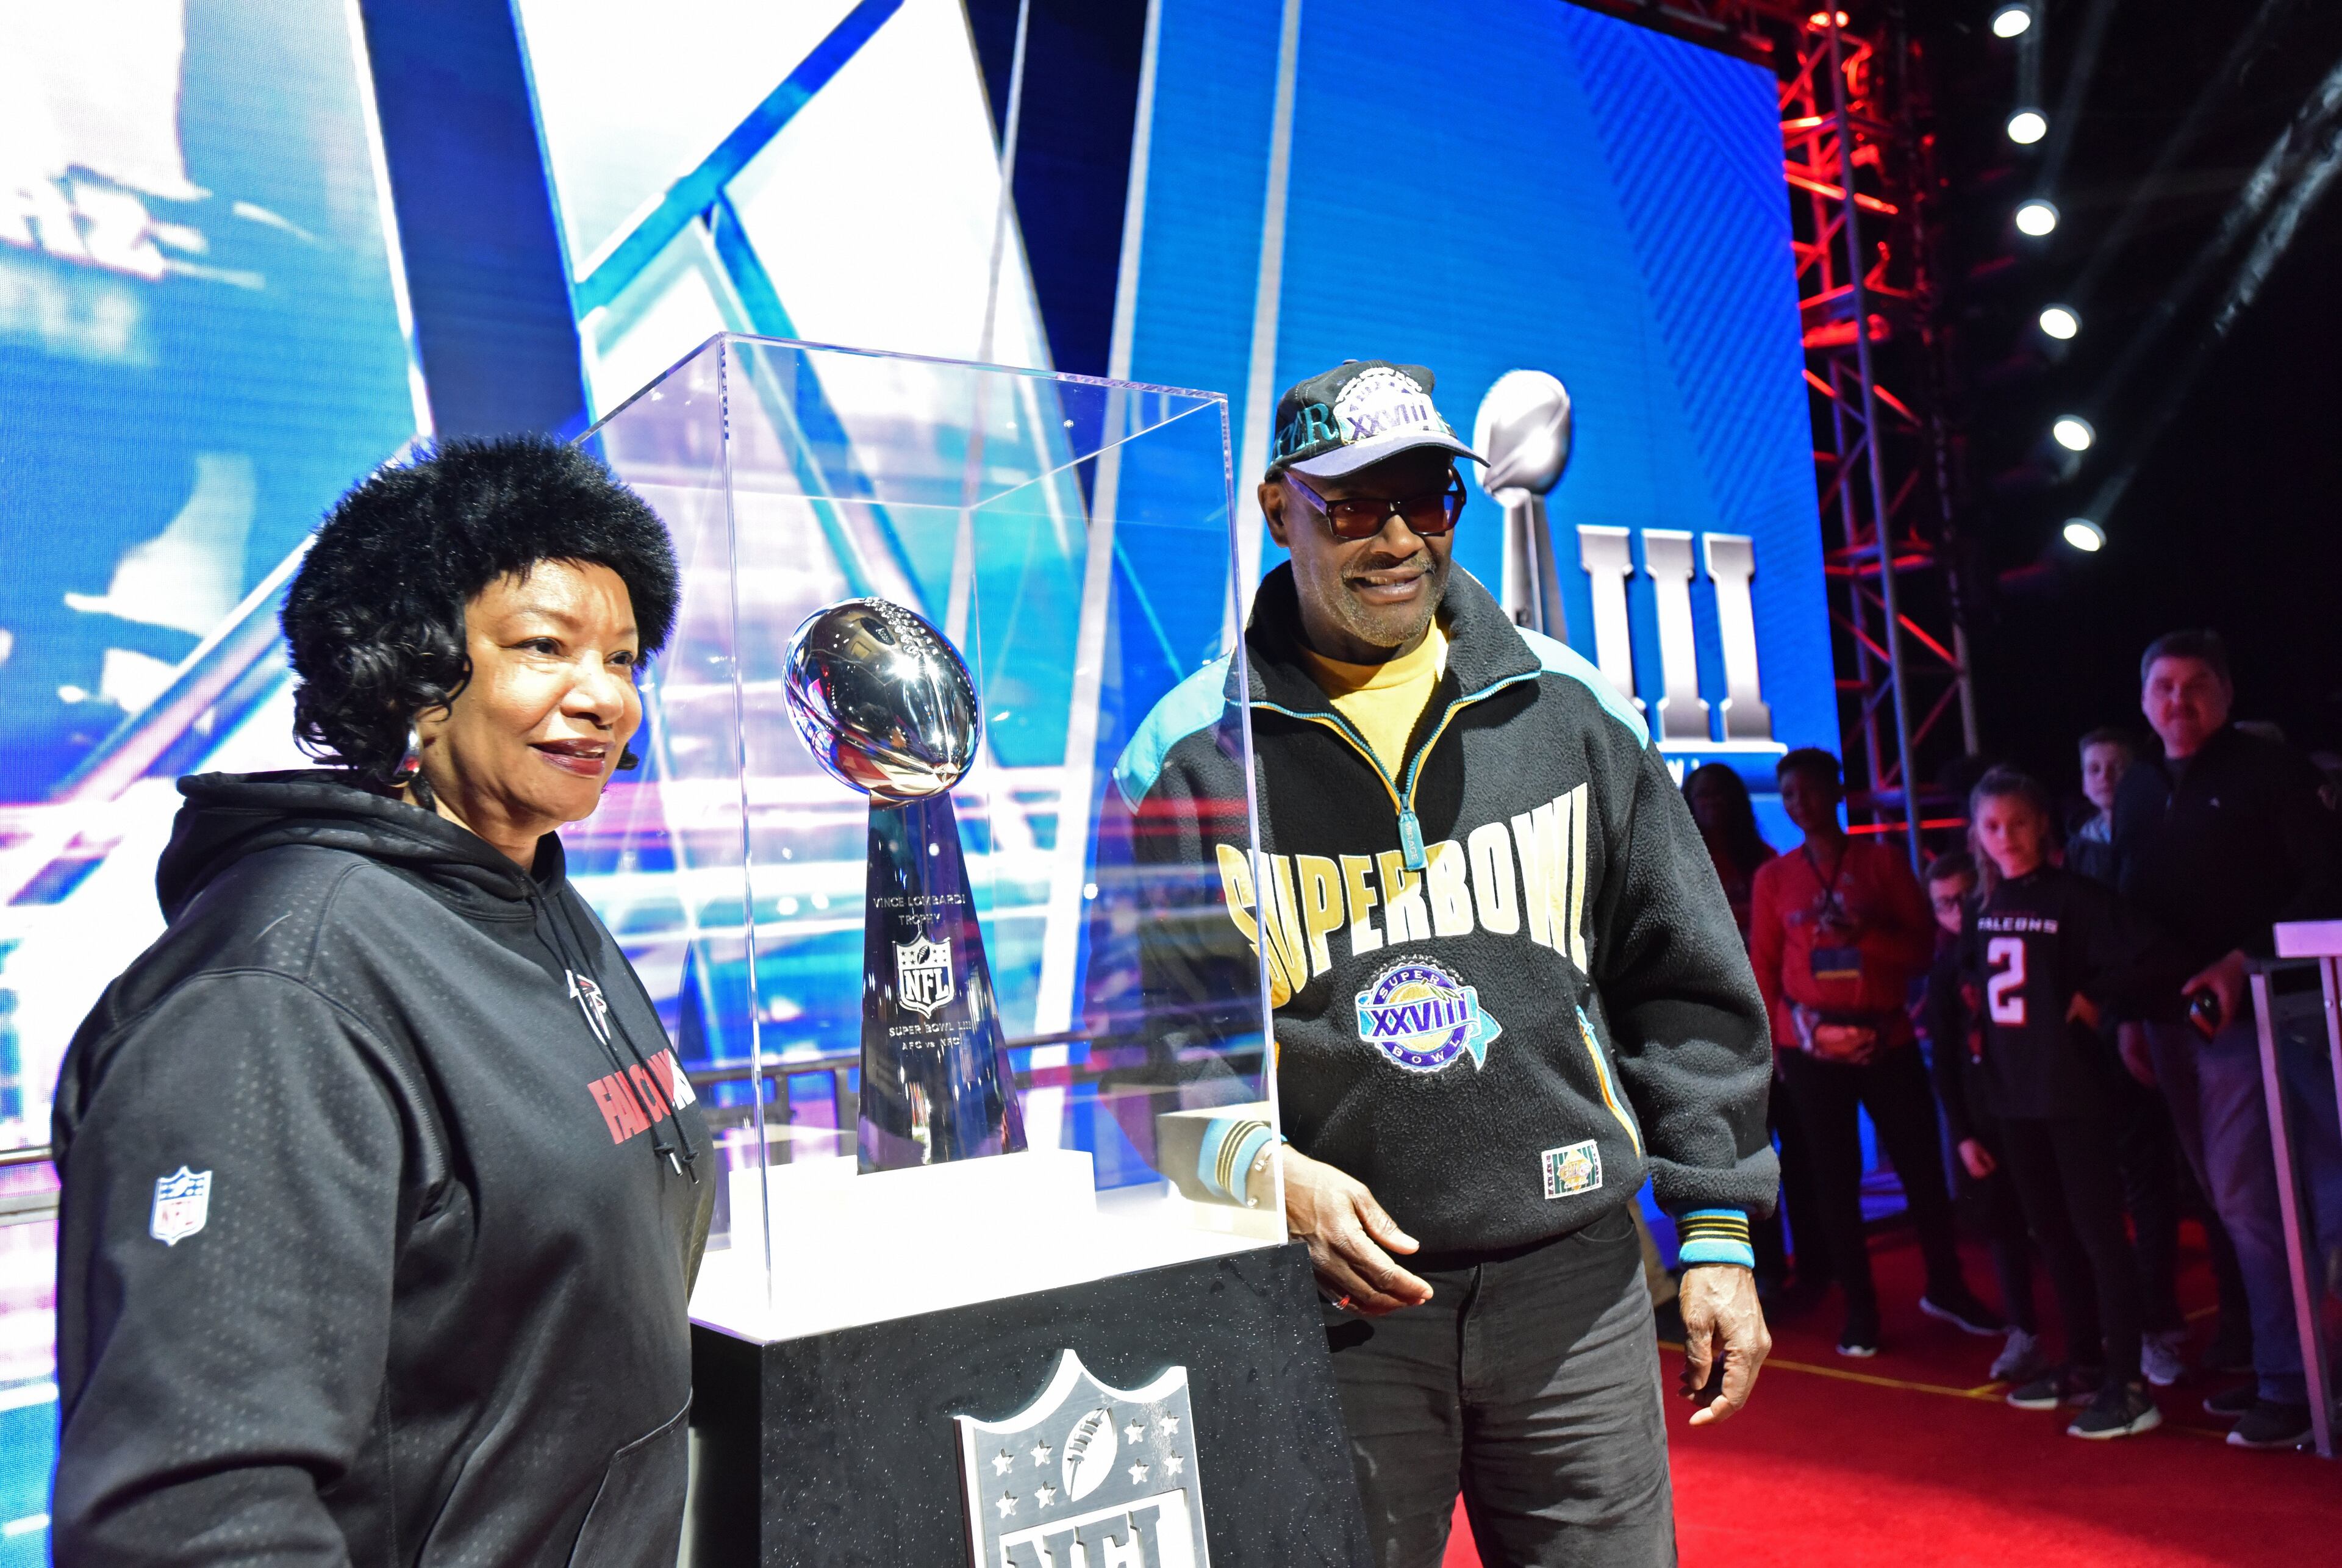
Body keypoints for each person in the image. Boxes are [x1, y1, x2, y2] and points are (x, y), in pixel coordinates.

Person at [1115, 359, 1775, 1567]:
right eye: (1353, 505)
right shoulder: (1190, 756)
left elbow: (1683, 982)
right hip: (1332, 1305)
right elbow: (1148, 1057)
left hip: (1576, 1288)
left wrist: (1719, 1227)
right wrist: (1264, 1174)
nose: (1398, 539)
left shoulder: (1571, 708)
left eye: (1428, 499)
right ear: (1278, 511)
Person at [51, 438, 713, 1561]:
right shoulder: (276, 993)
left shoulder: (532, 898)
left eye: (623, 657)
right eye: (545, 646)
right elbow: (194, 1514)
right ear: (411, 676)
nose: (604, 695)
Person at [2112, 628, 2342, 1449]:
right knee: (2231, 1199)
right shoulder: (2138, 786)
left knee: (2258, 1200)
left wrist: (2245, 961)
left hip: (2263, 1016)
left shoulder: (2273, 772)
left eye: (2197, 684)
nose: (2179, 700)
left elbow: (2328, 884)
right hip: (2172, 1024)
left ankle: (2293, 1382)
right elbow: (2128, 907)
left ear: (2228, 694)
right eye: (2164, 686)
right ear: (2144, 700)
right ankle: (2287, 1358)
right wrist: (2132, 1013)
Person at [1749, 747, 2000, 1357]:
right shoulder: (1774, 878)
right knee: (1834, 1182)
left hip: (1887, 1039)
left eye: (1811, 789)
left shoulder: (1882, 863)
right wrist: (1774, 1047)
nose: (1800, 803)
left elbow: (1922, 950)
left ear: (1837, 792)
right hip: (1810, 1048)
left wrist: (1866, 937)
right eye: (1789, 794)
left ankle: (1947, 1286)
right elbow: (1765, 967)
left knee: (1922, 1171)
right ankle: (1860, 1309)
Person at [1961, 769, 2179, 1439]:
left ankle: (2129, 1384)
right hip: (2015, 1095)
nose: (2006, 836)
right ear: (1977, 834)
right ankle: (2083, 1361)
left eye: (2019, 823)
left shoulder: (2076, 897)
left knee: (2100, 1236)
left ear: (2043, 825)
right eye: (1993, 826)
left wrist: (2098, 995)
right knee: (2051, 1233)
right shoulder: (1983, 905)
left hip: (2073, 1090)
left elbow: (2158, 952)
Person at [1685, 762, 1832, 1307]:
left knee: (1801, 1150)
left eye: (1722, 793)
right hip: (1717, 1032)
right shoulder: (1681, 862)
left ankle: (1816, 1262)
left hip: (1777, 1026)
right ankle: (1767, 1269)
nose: (1712, 802)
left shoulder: (1766, 861)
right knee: (1747, 1159)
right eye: (1702, 794)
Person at [1919, 850, 2044, 1385]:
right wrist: (1963, 1134)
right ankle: (2024, 1330)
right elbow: (1945, 1062)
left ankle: (2106, 1328)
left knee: (2063, 1220)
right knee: (2003, 1225)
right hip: (1983, 1114)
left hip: (2038, 1104)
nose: (1955, 911)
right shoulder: (1945, 972)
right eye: (1943, 903)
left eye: (1963, 898)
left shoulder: (2015, 944)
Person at [2065, 728, 2132, 886]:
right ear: (2084, 784)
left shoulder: (2158, 833)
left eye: (2116, 768)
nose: (2105, 777)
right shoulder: (2079, 848)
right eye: (2094, 770)